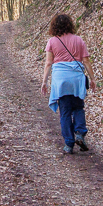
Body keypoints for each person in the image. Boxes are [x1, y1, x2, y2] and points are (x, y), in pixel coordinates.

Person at [41, 12, 95, 154]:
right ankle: (80, 132)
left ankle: (69, 144)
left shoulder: (52, 41)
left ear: (54, 26)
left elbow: (48, 63)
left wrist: (44, 82)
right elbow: (86, 62)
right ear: (70, 24)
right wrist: (93, 79)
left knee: (64, 112)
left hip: (61, 80)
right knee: (78, 107)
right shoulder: (78, 40)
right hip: (77, 79)